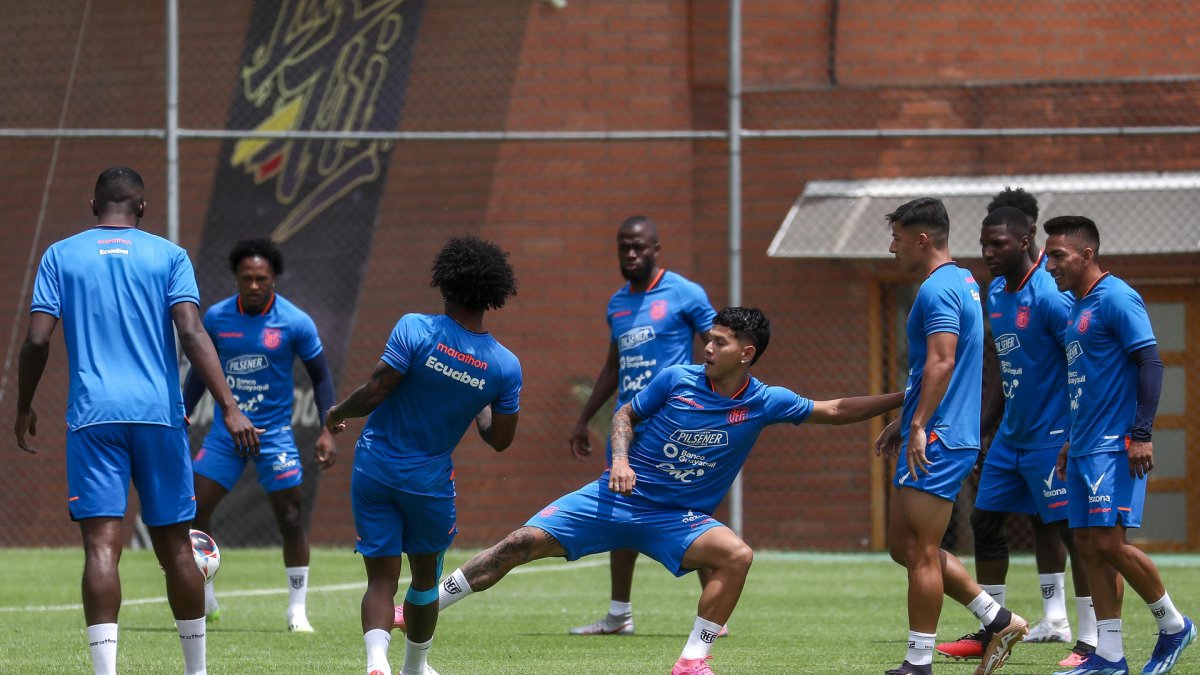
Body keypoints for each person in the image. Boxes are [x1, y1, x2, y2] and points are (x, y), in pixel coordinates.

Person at [395, 307, 905, 675]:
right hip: (614, 496)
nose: (708, 348)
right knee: (517, 545)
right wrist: (619, 460)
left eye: (720, 343)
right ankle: (419, 608)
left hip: (676, 516)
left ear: (746, 354)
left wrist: (909, 397)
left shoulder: (766, 401)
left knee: (737, 555)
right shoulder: (676, 378)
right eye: (708, 339)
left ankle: (692, 660)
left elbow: (835, 409)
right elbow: (624, 414)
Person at [14, 167, 261, 675]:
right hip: (158, 416)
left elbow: (37, 340)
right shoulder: (169, 256)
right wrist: (230, 407)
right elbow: (192, 333)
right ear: (142, 208)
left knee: (103, 548)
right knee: (176, 547)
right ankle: (197, 672)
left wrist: (24, 404)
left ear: (93, 205)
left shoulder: (61, 255)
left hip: (93, 417)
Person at [326, 236, 522, 675]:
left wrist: (337, 413)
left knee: (380, 578)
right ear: (493, 294)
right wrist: (478, 394)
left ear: (446, 284)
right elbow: (499, 439)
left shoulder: (415, 327)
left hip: (374, 467)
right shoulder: (505, 365)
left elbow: (376, 389)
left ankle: (377, 663)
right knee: (424, 579)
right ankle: (415, 667)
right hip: (428, 483)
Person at [937, 204, 1096, 669]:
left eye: (998, 245)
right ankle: (994, 626)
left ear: (1026, 241)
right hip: (1010, 437)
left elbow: (1084, 363)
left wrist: (1079, 429)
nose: (987, 252)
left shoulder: (1050, 293)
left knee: (1071, 533)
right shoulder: (996, 293)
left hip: (1053, 437)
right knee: (985, 522)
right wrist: (981, 431)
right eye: (984, 244)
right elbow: (1007, 374)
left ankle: (1088, 641)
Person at [876, 197, 1027, 675]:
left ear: (922, 240)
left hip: (939, 438)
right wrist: (907, 419)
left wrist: (919, 425)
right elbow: (945, 368)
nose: (892, 247)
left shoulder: (938, 289)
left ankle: (918, 662)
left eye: (897, 238)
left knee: (920, 551)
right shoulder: (961, 280)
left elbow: (942, 362)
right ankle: (996, 618)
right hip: (937, 429)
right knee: (902, 545)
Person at [1043, 216, 1195, 675]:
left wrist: (1142, 434)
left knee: (1109, 543)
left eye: (1058, 256)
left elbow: (1150, 361)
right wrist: (1070, 441)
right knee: (1088, 545)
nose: (1050, 266)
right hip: (1086, 445)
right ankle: (1109, 654)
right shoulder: (1075, 307)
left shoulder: (1117, 297)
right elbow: (1084, 384)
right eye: (1048, 256)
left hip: (1115, 445)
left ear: (1087, 254)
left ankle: (1173, 625)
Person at [567, 214, 717, 636]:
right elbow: (613, 368)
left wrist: (709, 403)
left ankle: (714, 613)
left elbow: (718, 348)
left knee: (687, 510)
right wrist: (583, 419)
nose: (631, 254)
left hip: (672, 424)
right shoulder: (617, 303)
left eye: (639, 247)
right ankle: (619, 615)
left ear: (655, 249)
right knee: (620, 512)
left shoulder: (685, 293)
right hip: (628, 427)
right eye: (624, 247)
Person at [182, 238, 338, 632]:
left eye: (262, 279)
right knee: (196, 511)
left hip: (275, 436)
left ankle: (297, 610)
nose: (254, 286)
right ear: (236, 277)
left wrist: (326, 430)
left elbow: (321, 378)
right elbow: (200, 371)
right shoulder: (216, 318)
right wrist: (182, 412)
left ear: (274, 280)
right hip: (225, 435)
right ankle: (208, 595)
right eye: (247, 278)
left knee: (290, 516)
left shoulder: (295, 321)